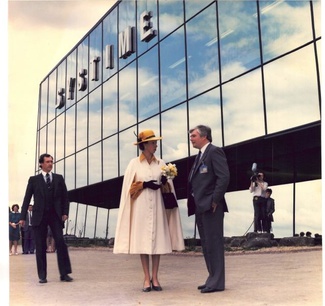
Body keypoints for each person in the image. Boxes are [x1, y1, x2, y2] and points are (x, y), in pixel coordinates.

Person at [114, 129, 184, 292]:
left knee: (157, 241)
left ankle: (156, 277)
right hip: (141, 207)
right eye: (153, 143)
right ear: (144, 144)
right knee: (143, 242)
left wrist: (165, 181)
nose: (156, 145)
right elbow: (128, 190)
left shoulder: (161, 163)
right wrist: (145, 184)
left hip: (158, 206)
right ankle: (146, 278)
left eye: (156, 143)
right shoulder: (134, 164)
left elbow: (168, 188)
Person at [187, 125, 230, 293]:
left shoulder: (214, 152)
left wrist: (215, 200)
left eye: (194, 135)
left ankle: (217, 282)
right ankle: (212, 278)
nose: (191, 138)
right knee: (206, 244)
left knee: (214, 243)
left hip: (212, 206)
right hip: (200, 206)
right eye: (191, 136)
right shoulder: (200, 156)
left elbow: (224, 177)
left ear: (204, 137)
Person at [19, 153, 73, 284]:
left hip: (55, 215)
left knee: (60, 242)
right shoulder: (34, 180)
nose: (50, 164)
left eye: (51, 161)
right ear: (41, 164)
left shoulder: (59, 178)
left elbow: (65, 197)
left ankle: (64, 273)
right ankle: (42, 275)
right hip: (39, 216)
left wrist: (65, 212)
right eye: (48, 161)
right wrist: (22, 217)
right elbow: (27, 198)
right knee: (40, 245)